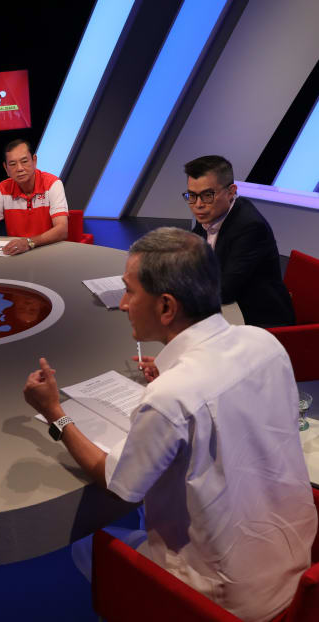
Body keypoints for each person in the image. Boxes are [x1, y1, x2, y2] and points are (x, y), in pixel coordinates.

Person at [24, 228, 316, 622]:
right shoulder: (263, 343)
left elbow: (119, 486)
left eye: (129, 291)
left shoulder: (169, 399)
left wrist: (55, 413)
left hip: (227, 597)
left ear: (166, 307)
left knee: (84, 548)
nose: (124, 304)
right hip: (296, 555)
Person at [184, 155, 294, 327]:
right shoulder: (210, 215)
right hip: (227, 313)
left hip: (260, 323)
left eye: (207, 195)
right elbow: (185, 258)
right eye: (192, 195)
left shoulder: (250, 227)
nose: (198, 204)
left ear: (231, 192)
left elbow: (224, 290)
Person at [0, 139, 68, 255]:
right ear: (6, 168)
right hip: (17, 255)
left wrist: (29, 242)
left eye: (24, 161)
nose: (19, 168)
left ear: (34, 161)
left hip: (49, 252)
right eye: (12, 164)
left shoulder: (53, 184)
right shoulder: (2, 189)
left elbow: (62, 230)